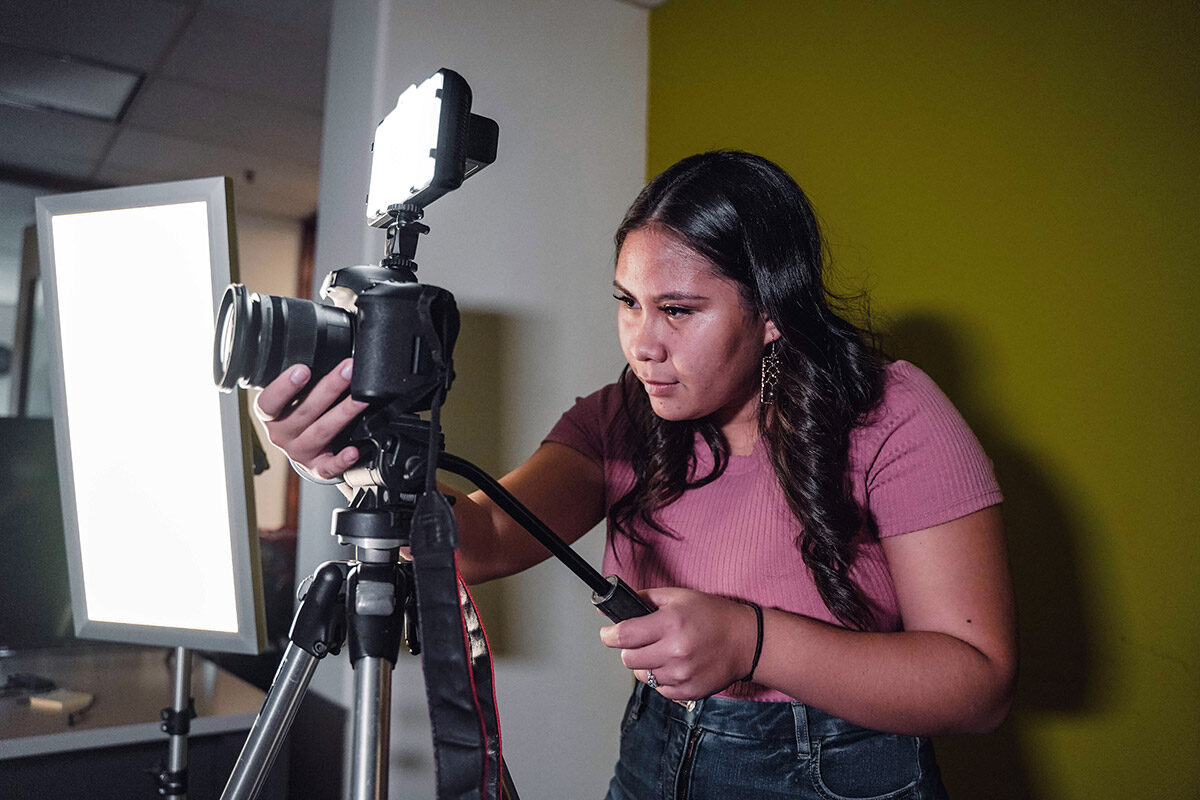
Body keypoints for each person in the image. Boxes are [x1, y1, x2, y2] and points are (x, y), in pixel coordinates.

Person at [255, 151, 1016, 799]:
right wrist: (352, 457)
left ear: (773, 312)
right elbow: (483, 536)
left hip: (839, 770)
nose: (642, 344)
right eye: (628, 302)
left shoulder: (895, 413)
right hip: (654, 753)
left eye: (679, 310)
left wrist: (753, 643)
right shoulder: (623, 414)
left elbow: (978, 682)